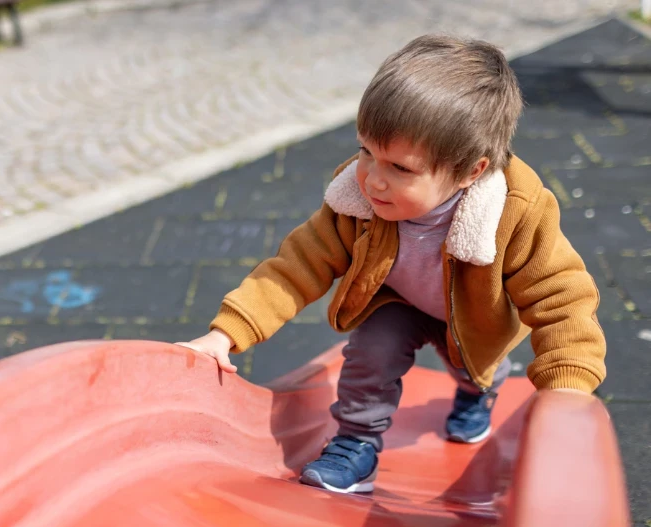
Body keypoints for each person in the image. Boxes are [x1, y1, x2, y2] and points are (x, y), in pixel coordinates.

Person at [176, 34, 606, 494]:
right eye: (366, 152)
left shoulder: (516, 214)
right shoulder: (356, 201)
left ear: (469, 172)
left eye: (400, 169)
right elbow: (297, 264)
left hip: (473, 318)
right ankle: (356, 445)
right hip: (398, 300)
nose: (373, 180)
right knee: (370, 352)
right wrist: (227, 333)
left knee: (475, 368)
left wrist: (568, 389)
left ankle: (477, 394)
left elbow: (563, 299)